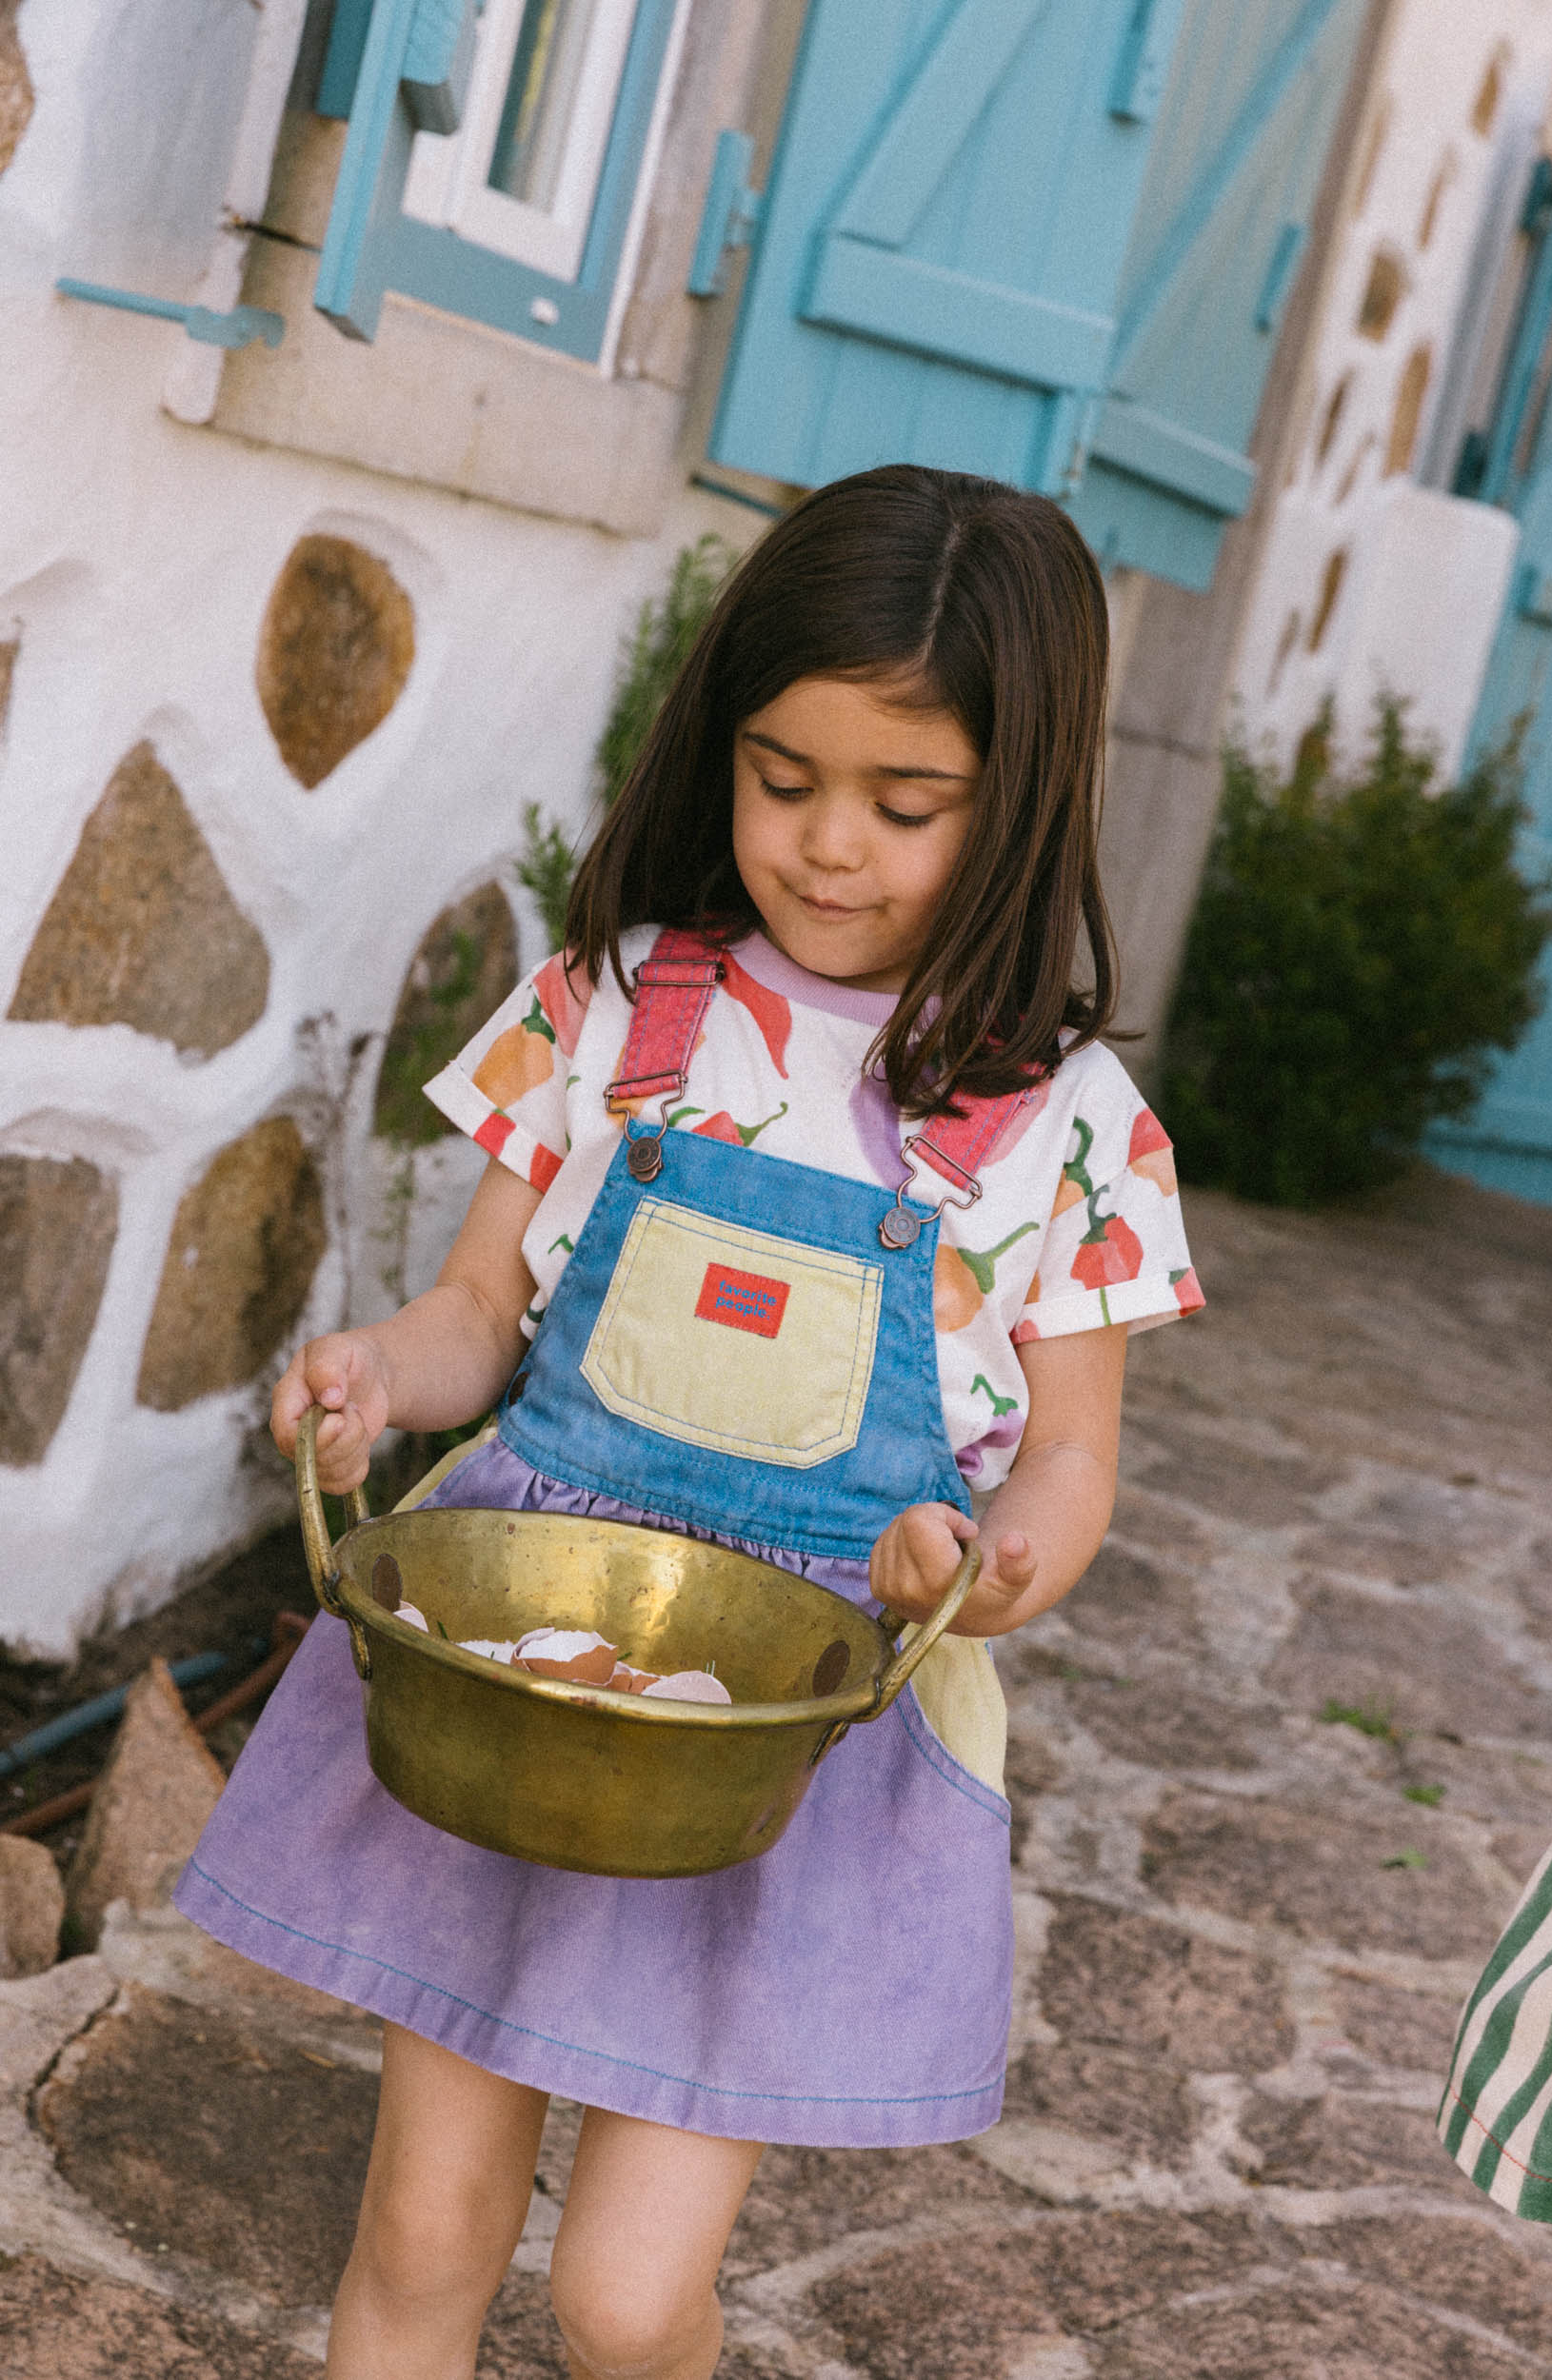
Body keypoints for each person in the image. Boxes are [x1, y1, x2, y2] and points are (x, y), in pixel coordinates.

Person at [175, 464, 1204, 2380]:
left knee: (626, 2298)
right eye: (781, 773)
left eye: (905, 804)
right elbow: (484, 1308)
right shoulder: (611, 1003)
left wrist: (993, 1564)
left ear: (1025, 792)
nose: (827, 843)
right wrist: (380, 1377)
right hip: (519, 1665)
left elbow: (1070, 1449)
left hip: (789, 1753)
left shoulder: (1070, 1126)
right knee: (419, 2224)